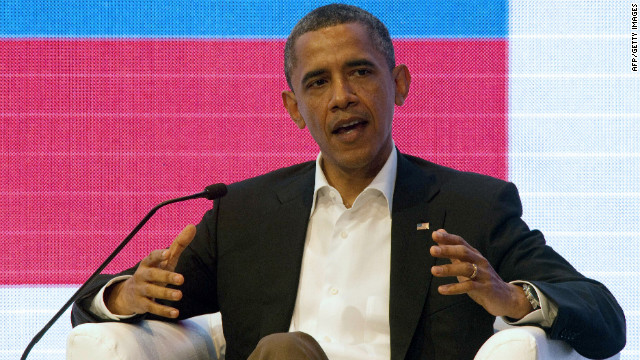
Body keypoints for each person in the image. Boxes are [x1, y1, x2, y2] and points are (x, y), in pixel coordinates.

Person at [71, 4, 626, 360]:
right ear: (294, 108)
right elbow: (97, 302)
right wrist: (121, 294)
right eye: (318, 82)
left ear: (400, 84)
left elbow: (604, 315)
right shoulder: (244, 212)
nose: (341, 96)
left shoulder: (472, 207)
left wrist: (510, 297)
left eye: (360, 71)